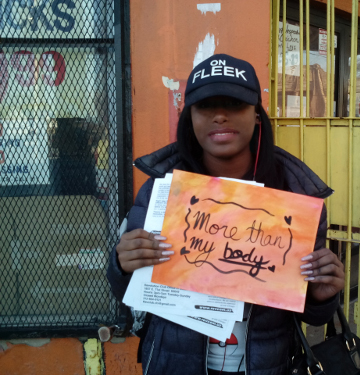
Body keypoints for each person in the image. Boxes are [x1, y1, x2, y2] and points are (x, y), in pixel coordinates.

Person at [107, 54, 345, 375]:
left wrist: (321, 296)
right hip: (173, 363)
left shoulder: (296, 198)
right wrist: (122, 265)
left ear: (257, 115)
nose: (220, 116)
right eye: (205, 106)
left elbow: (312, 315)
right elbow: (128, 294)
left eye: (234, 104)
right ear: (189, 116)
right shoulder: (161, 191)